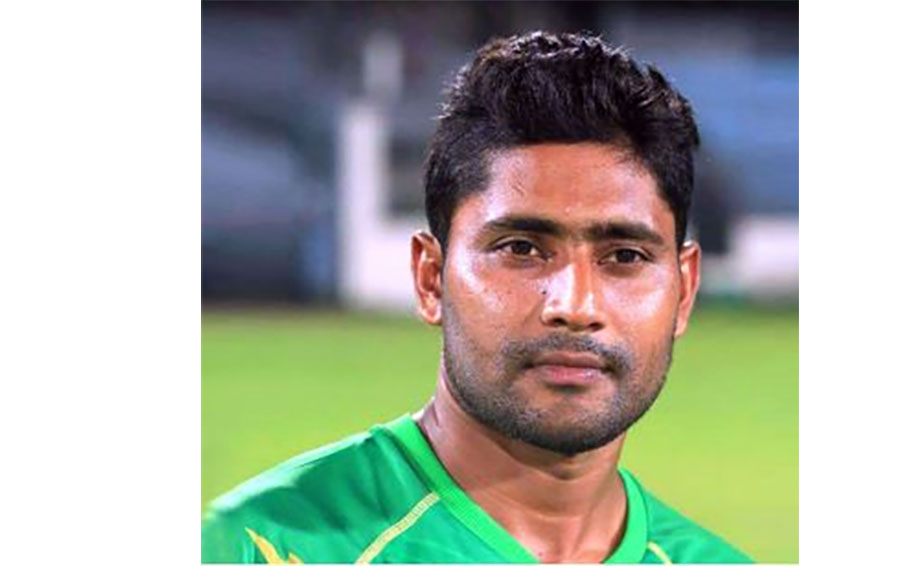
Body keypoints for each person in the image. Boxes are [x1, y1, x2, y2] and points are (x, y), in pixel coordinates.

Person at [202, 31, 752, 564]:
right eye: (521, 249)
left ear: (684, 291)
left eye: (625, 256)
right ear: (430, 278)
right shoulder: (254, 548)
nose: (574, 304)